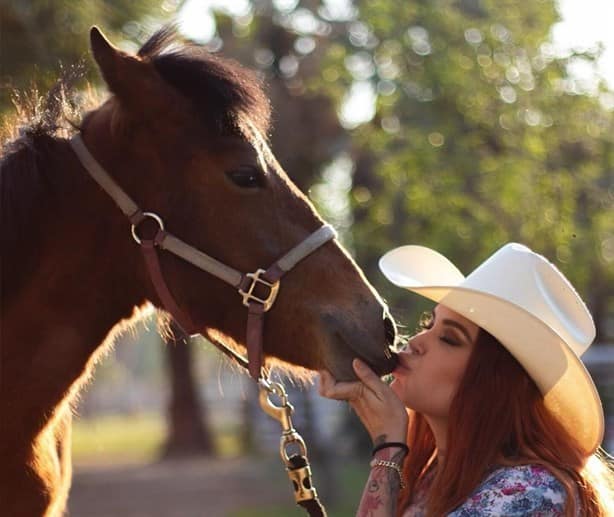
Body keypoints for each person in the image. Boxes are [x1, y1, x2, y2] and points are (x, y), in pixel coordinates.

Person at [319, 242, 614, 516]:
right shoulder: (431, 478)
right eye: (428, 323)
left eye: (449, 338)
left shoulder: (533, 493)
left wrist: (388, 448)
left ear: (496, 384)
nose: (417, 341)